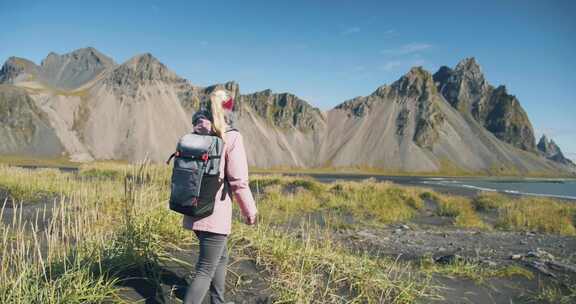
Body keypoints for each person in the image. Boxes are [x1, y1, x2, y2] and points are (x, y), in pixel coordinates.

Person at [183, 89, 258, 304]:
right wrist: (250, 211)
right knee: (205, 269)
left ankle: (218, 301)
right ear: (228, 108)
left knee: (221, 257)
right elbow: (238, 181)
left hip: (194, 209)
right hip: (214, 214)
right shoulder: (231, 136)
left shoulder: (197, 132)